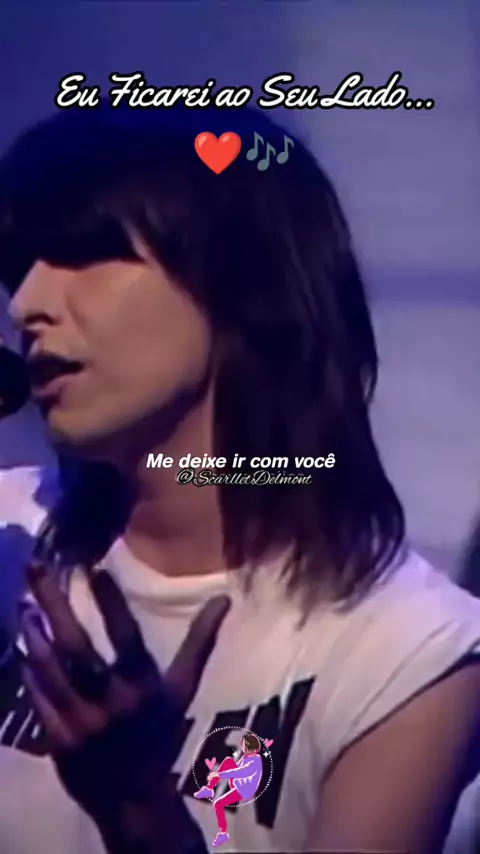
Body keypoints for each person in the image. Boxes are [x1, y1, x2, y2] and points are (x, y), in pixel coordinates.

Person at [0, 101, 480, 854]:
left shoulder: (407, 651)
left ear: (240, 283)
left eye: (85, 255)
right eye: (21, 264)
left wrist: (141, 814)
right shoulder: (8, 530)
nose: (27, 304)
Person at [194, 732, 264, 847]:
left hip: (244, 789)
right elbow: (237, 768)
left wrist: (220, 775)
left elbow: (241, 772)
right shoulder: (246, 757)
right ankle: (209, 789)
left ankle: (223, 833)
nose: (243, 748)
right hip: (238, 783)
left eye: (244, 745)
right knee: (228, 761)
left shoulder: (255, 761)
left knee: (218, 804)